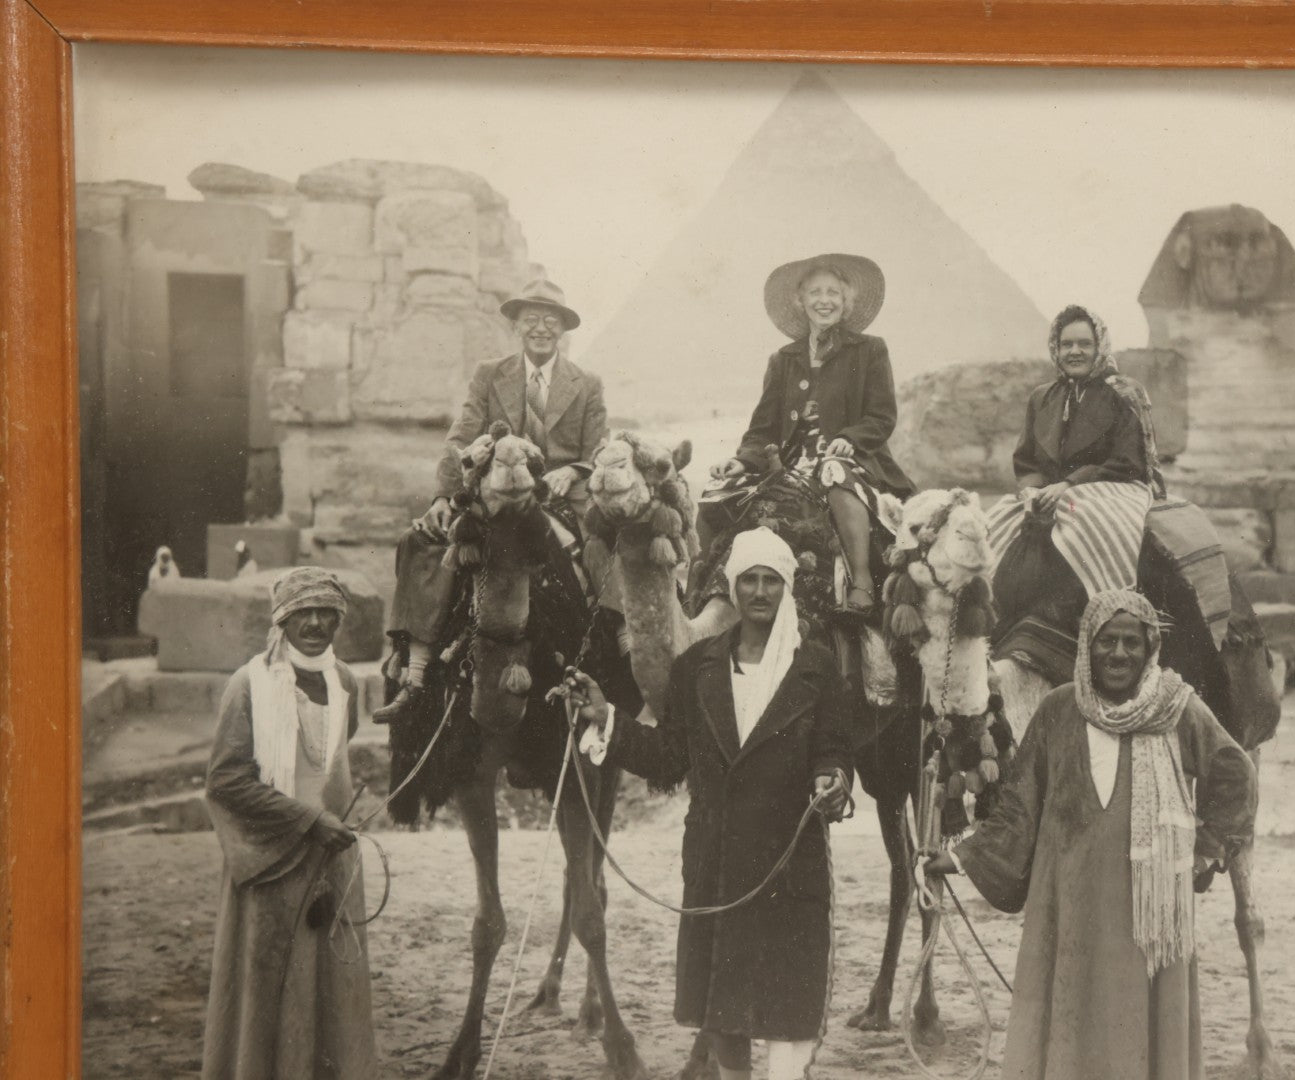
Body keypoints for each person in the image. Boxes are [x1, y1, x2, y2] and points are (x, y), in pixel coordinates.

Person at [921, 589, 1256, 1080]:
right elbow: (1017, 810)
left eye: (1131, 643)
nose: (1118, 654)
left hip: (1149, 912)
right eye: (1106, 642)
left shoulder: (1179, 710)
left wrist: (1204, 853)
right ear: (1086, 647)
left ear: (1149, 650)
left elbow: (1236, 774)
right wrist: (956, 859)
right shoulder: (1059, 711)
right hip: (1067, 905)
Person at [564, 528, 854, 1080]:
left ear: (787, 588)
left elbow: (833, 750)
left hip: (788, 862)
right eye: (750, 580)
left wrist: (833, 781)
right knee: (722, 1012)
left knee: (788, 1007)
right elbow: (669, 756)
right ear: (732, 586)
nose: (761, 591)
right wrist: (607, 720)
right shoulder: (696, 667)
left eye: (772, 580)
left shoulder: (816, 668)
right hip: (715, 864)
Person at [374, 278, 608, 723]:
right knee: (420, 542)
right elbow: (460, 435)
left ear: (563, 329)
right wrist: (445, 494)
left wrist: (573, 470)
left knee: (597, 558)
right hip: (492, 499)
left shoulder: (586, 384)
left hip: (555, 501)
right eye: (531, 319)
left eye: (551, 320)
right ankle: (417, 667)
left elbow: (598, 447)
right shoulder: (490, 374)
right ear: (516, 326)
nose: (541, 328)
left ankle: (609, 663)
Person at [201, 567, 378, 1079]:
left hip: (332, 862)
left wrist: (329, 825)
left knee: (329, 991)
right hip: (273, 862)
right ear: (283, 618)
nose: (317, 622)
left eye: (328, 613)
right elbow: (225, 782)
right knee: (268, 990)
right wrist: (306, 820)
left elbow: (334, 757)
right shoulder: (248, 684)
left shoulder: (344, 680)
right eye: (305, 611)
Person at [704, 254, 914, 616]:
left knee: (835, 471)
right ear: (800, 301)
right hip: (788, 466)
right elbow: (762, 429)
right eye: (815, 292)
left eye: (833, 292)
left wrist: (851, 437)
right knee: (714, 497)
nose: (824, 300)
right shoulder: (783, 359)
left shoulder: (870, 350)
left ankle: (862, 581)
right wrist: (741, 461)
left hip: (852, 460)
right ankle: (700, 588)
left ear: (846, 301)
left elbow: (882, 415)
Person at [985, 304, 1161, 603]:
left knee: (1088, 525)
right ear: (1056, 348)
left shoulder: (1125, 393)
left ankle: (1110, 603)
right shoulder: (1042, 397)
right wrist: (1033, 490)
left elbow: (1129, 461)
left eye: (1084, 344)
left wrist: (1070, 484)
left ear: (1099, 347)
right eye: (1066, 344)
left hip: (1110, 489)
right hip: (1048, 493)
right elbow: (1025, 459)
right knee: (995, 526)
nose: (1074, 352)